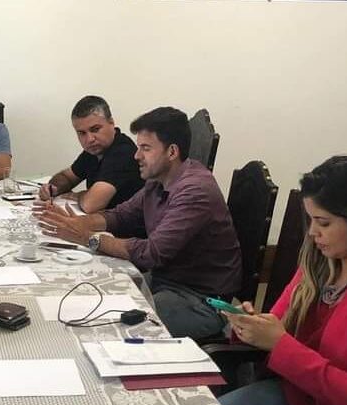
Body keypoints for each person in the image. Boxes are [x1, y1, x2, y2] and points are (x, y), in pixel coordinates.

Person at [219, 156, 347, 405]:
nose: (312, 232)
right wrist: (251, 326)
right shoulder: (321, 260)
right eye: (311, 219)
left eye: (323, 222)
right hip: (298, 392)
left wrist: (280, 344)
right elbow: (278, 325)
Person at [37, 107, 242, 339]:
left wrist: (88, 238)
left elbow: (151, 253)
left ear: (172, 151)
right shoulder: (159, 179)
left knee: (103, 325)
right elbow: (120, 215)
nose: (136, 156)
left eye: (145, 148)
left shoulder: (195, 190)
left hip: (199, 301)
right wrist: (79, 223)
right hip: (165, 282)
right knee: (85, 296)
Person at [37, 96, 144, 213]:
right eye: (82, 133)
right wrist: (53, 188)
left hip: (126, 224)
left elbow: (90, 204)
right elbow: (67, 176)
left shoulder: (123, 152)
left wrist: (78, 195)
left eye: (95, 129)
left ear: (111, 123)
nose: (89, 139)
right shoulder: (95, 149)